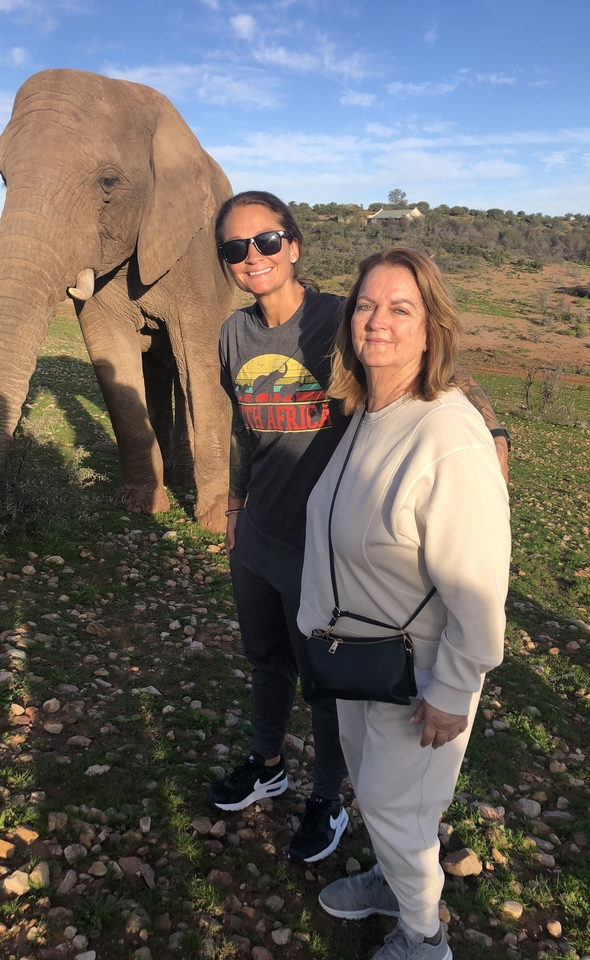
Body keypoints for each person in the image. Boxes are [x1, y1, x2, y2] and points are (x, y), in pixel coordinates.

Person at [207, 193, 509, 866]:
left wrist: (493, 433)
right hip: (257, 532)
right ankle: (267, 762)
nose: (251, 257)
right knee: (265, 659)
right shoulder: (233, 334)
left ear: (294, 245)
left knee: (328, 677)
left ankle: (327, 797)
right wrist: (232, 506)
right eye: (234, 248)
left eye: (266, 240)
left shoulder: (340, 317)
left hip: (322, 548)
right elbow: (241, 427)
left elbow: (445, 367)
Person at [297, 247, 510, 959]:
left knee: (399, 805)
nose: (375, 321)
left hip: (419, 675)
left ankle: (423, 939)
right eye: (365, 304)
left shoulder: (447, 435)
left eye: (400, 308)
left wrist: (455, 688)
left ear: (431, 328)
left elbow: (478, 584)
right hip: (360, 658)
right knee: (379, 794)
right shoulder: (369, 410)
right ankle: (396, 883)